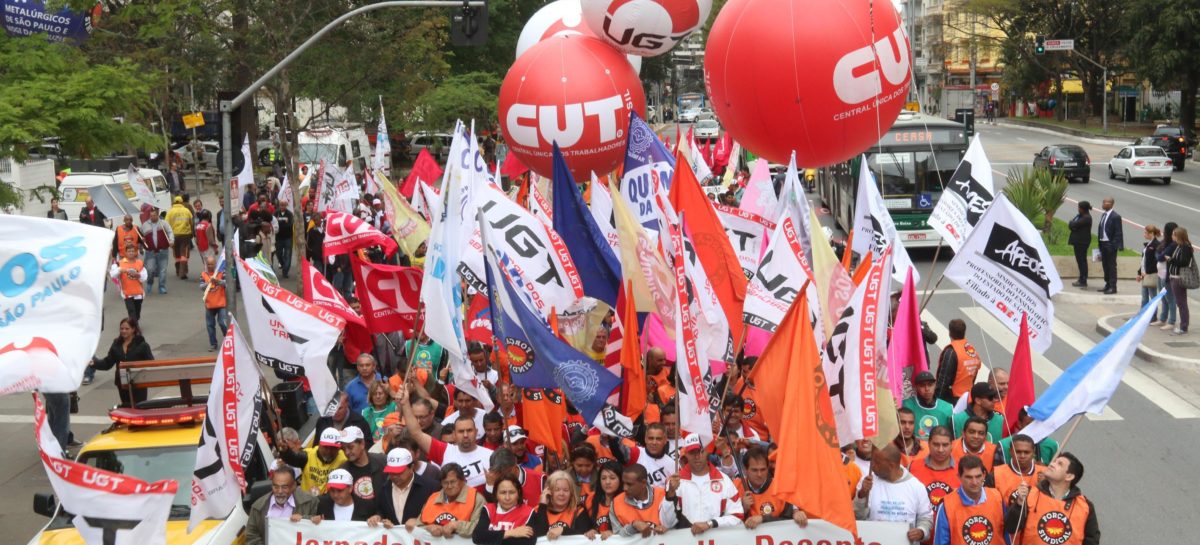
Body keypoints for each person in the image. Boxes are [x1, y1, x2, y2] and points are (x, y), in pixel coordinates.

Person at [397, 384, 494, 487]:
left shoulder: (491, 456)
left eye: (469, 430)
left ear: (476, 432)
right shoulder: (444, 451)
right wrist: (405, 404)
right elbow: (416, 433)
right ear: (454, 434)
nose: (465, 435)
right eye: (461, 431)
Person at [1006, 453, 1100, 545]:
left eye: (1059, 464)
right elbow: (1010, 528)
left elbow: (1092, 541)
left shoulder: (1085, 506)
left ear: (1069, 476)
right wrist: (1019, 503)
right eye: (1054, 461)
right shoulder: (1029, 494)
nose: (1051, 464)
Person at [853, 445, 933, 544]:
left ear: (891, 465)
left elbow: (926, 518)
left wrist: (921, 531)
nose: (872, 465)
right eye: (871, 460)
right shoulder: (867, 482)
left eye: (876, 462)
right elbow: (857, 517)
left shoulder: (916, 487)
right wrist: (862, 495)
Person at [671, 434, 744, 535]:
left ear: (708, 452)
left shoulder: (724, 480)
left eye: (701, 451)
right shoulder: (675, 482)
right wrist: (669, 496)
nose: (697, 456)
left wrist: (710, 524)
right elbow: (666, 521)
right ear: (686, 454)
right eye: (692, 452)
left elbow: (737, 516)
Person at [932, 455, 1005, 545]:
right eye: (969, 477)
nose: (974, 482)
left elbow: (1008, 533)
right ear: (959, 477)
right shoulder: (946, 505)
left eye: (978, 476)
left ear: (984, 475)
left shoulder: (997, 497)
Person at [739, 446, 810, 529]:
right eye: (754, 470)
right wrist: (742, 508)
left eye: (763, 469)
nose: (759, 474)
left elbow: (788, 520)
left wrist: (763, 519)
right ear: (745, 470)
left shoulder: (780, 488)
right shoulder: (735, 487)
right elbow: (726, 519)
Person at [244, 466, 319, 545]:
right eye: (275, 487)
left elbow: (318, 530)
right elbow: (251, 536)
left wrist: (303, 519)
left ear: (294, 486)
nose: (279, 491)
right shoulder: (258, 507)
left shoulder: (310, 502)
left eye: (284, 487)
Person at [370, 447, 440, 527]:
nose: (395, 476)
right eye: (391, 472)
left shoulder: (431, 488)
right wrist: (378, 517)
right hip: (394, 539)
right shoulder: (384, 489)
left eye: (399, 472)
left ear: (411, 468)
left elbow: (439, 515)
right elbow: (381, 511)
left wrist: (419, 521)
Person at [409, 463, 483, 537]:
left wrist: (457, 525)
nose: (449, 486)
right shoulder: (433, 498)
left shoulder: (476, 499)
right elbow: (418, 526)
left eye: (453, 482)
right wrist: (429, 528)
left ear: (463, 480)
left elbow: (482, 529)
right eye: (445, 483)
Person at [908, 426, 960, 532]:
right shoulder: (913, 467)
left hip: (951, 536)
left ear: (952, 445)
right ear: (928, 444)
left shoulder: (962, 470)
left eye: (945, 445)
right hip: (918, 535)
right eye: (936, 444)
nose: (940, 450)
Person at [610, 464, 676, 537]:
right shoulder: (616, 503)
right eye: (623, 483)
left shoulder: (664, 496)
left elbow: (677, 526)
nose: (624, 488)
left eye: (629, 484)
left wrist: (667, 528)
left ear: (643, 483)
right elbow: (616, 537)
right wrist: (633, 526)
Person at [280, 427, 348, 496]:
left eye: (333, 448)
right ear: (319, 444)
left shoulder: (343, 459)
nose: (329, 451)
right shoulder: (308, 455)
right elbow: (293, 458)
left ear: (339, 448)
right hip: (307, 501)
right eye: (326, 447)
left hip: (329, 501)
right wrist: (285, 451)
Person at [473, 475, 539, 545]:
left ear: (518, 493)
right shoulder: (488, 509)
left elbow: (528, 542)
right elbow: (477, 537)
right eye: (503, 492)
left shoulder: (528, 512)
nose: (507, 498)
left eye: (512, 492)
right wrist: (511, 533)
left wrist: (490, 538)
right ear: (496, 494)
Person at [531, 470, 595, 539]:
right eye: (557, 489)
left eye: (566, 490)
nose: (561, 494)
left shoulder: (578, 511)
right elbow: (539, 535)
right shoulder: (537, 510)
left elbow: (583, 537)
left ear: (571, 493)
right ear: (548, 491)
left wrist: (563, 530)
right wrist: (543, 505)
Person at [987, 434, 1044, 504]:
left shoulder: (1045, 474)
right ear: (1010, 451)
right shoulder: (996, 475)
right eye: (1018, 452)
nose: (1022, 456)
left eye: (1026, 452)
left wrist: (1045, 486)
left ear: (1033, 452)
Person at [934, 319, 981, 403]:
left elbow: (944, 379)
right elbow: (974, 374)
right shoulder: (972, 351)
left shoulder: (952, 351)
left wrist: (937, 400)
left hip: (952, 397)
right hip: (967, 397)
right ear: (964, 332)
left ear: (950, 333)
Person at [338, 426, 387, 501]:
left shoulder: (383, 461)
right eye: (343, 449)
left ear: (362, 444)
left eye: (350, 447)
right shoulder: (343, 472)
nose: (346, 452)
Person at [903, 371, 954, 441]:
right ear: (916, 387)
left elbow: (952, 436)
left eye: (930, 385)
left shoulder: (947, 408)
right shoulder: (907, 405)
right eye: (922, 385)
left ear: (935, 385)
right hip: (915, 448)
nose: (927, 389)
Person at [1164, 226, 1193, 335]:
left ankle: (1183, 326)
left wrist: (1170, 260)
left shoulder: (1185, 247)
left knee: (1181, 303)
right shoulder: (1180, 246)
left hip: (1178, 278)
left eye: (1173, 234)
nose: (1172, 236)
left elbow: (1183, 262)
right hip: (1174, 277)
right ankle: (1183, 325)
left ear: (1178, 236)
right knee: (1180, 302)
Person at [586, 461, 624, 538]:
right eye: (603, 478)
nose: (607, 482)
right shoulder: (591, 498)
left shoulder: (627, 501)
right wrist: (591, 530)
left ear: (621, 480)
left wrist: (614, 533)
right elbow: (584, 525)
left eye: (612, 478)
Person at [110, 245, 147, 321]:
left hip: (138, 292)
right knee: (131, 311)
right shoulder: (119, 263)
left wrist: (138, 275)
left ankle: (134, 323)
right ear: (126, 253)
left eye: (132, 251)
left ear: (136, 252)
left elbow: (144, 277)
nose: (131, 253)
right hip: (127, 293)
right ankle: (136, 329)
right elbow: (113, 275)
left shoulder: (139, 263)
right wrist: (120, 270)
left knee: (137, 313)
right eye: (129, 251)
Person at [141, 210, 173, 294]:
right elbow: (141, 236)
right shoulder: (145, 225)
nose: (153, 217)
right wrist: (142, 241)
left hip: (163, 251)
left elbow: (170, 232)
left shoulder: (164, 223)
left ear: (157, 215)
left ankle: (162, 287)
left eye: (154, 215)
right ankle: (149, 283)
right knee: (150, 269)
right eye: (151, 216)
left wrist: (171, 240)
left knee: (162, 270)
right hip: (150, 251)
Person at [1096, 197, 1123, 294]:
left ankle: (1113, 286)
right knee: (1105, 265)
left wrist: (1113, 245)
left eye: (1105, 202)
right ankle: (1107, 284)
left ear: (1111, 204)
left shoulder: (1116, 216)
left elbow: (1118, 232)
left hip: (1110, 245)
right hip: (1103, 244)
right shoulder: (1103, 215)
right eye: (1103, 202)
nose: (1103, 204)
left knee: (1111, 266)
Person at [200, 256, 228, 351]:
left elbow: (227, 283)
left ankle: (227, 338)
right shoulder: (204, 274)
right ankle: (213, 344)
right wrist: (208, 283)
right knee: (210, 325)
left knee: (223, 323)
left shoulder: (221, 272)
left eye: (212, 264)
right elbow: (201, 286)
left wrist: (218, 281)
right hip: (209, 304)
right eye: (208, 264)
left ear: (216, 264)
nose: (210, 266)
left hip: (221, 303)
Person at [165, 196, 195, 279]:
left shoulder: (170, 211)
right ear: (182, 202)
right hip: (185, 235)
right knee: (184, 254)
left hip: (174, 235)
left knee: (177, 254)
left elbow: (166, 224)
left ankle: (178, 271)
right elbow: (191, 222)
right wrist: (192, 233)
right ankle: (183, 272)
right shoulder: (186, 210)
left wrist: (168, 236)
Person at [1157, 222, 1180, 329]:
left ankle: (1171, 321)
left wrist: (1162, 254)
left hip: (1167, 274)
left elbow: (1160, 257)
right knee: (1163, 298)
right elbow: (1160, 254)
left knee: (1170, 298)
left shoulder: (1173, 244)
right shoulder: (1165, 242)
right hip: (1160, 273)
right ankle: (1163, 318)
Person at [1138, 225, 1163, 309]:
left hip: (1151, 274)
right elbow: (1144, 260)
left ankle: (1153, 315)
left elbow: (1155, 262)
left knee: (1152, 297)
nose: (1144, 234)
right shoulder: (1148, 244)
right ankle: (1142, 315)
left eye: (1145, 233)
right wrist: (1139, 273)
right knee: (1144, 298)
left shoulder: (1156, 245)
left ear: (1151, 233)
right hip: (1145, 274)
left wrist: (1147, 272)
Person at [275, 200, 295, 277]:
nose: (282, 207)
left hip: (288, 237)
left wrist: (280, 222)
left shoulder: (289, 214)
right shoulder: (276, 213)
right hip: (279, 237)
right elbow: (273, 222)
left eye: (284, 205)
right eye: (281, 205)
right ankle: (283, 264)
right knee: (278, 254)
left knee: (288, 254)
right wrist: (283, 222)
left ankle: (285, 271)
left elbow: (290, 225)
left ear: (286, 206)